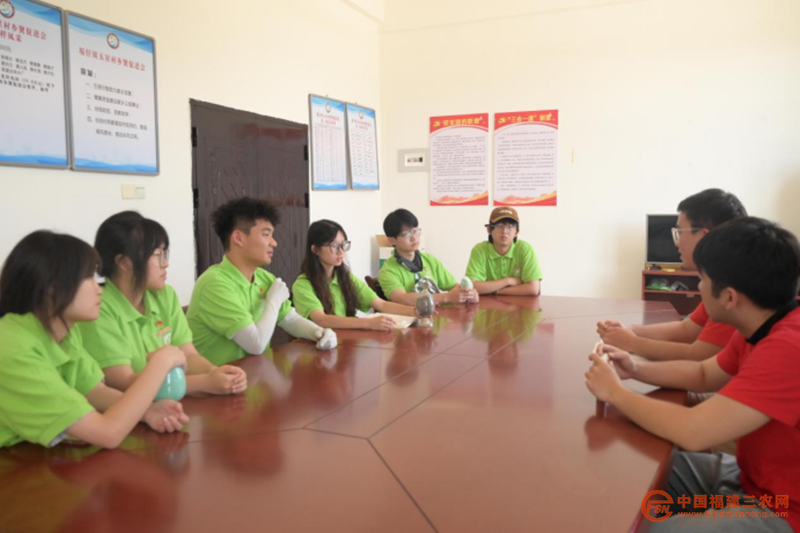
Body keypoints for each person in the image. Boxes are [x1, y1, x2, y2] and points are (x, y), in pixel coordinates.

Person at [586, 217, 799, 532]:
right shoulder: (761, 324)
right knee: (634, 470)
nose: (698, 288)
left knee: (646, 526)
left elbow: (693, 431)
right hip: (747, 479)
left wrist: (616, 392)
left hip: (782, 509)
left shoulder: (788, 348)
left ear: (729, 297)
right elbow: (703, 373)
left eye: (701, 279)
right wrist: (634, 369)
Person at [0, 231, 188, 449]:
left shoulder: (64, 333)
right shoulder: (12, 346)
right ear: (51, 288)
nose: (98, 289)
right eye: (87, 278)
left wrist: (147, 411)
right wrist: (160, 364)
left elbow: (95, 391)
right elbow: (107, 433)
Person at [79, 212, 247, 396]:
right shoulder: (98, 307)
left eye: (165, 253)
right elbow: (122, 382)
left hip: (170, 403)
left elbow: (189, 355)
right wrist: (205, 382)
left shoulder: (165, 295)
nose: (165, 263)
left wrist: (215, 372)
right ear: (124, 262)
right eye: (157, 255)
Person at [597, 189, 747, 361]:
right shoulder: (719, 278)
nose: (676, 243)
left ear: (704, 237)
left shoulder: (732, 290)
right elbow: (686, 329)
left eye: (680, 232)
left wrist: (632, 343)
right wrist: (628, 331)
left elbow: (699, 357)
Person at [187, 198, 337, 366]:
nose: (274, 243)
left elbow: (290, 319)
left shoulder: (264, 278)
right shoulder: (214, 284)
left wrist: (318, 332)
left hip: (257, 374)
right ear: (239, 238)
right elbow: (256, 344)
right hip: (219, 379)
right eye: (266, 235)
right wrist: (273, 300)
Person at [292, 219, 416, 331]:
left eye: (343, 244)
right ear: (315, 250)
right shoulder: (302, 285)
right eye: (334, 246)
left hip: (345, 341)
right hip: (320, 344)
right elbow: (322, 320)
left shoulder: (344, 277)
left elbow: (381, 304)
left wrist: (415, 311)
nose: (341, 251)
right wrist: (368, 323)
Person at [379, 208, 478, 306]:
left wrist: (467, 294)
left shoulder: (430, 260)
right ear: (392, 240)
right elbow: (402, 298)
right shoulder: (388, 271)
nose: (414, 238)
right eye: (406, 235)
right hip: (409, 315)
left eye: (415, 231)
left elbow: (454, 287)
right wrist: (446, 297)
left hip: (437, 314)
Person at [465, 207, 542, 296]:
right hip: (488, 304)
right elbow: (471, 287)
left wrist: (497, 291)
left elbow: (533, 289)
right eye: (499, 225)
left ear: (517, 232)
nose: (504, 231)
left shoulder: (524, 249)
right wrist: (507, 281)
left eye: (510, 226)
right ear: (489, 229)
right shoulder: (480, 250)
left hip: (520, 304)